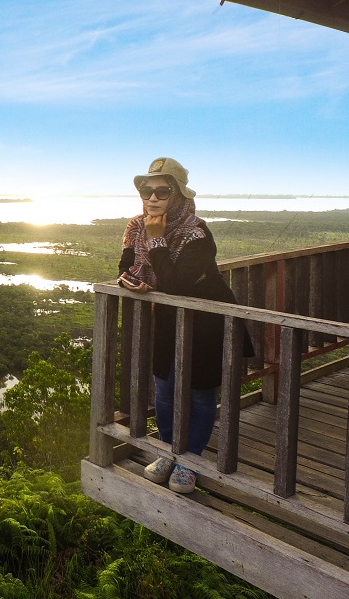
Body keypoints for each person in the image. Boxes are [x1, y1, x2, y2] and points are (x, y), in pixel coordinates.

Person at [117, 157, 252, 494]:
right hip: (167, 317)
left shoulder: (197, 233)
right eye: (146, 190)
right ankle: (167, 451)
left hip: (205, 319)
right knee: (164, 390)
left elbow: (177, 283)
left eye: (162, 191)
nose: (152, 198)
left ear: (177, 194)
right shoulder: (137, 227)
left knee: (199, 394)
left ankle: (190, 460)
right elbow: (125, 265)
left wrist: (159, 239)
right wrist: (128, 281)